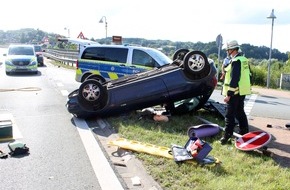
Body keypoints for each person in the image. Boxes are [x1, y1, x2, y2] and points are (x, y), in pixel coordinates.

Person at [220, 40, 252, 145]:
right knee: (240, 112)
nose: (227, 51)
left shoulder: (236, 61)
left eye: (228, 49)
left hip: (235, 92)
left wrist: (229, 94)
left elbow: (234, 79)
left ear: (233, 49)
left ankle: (227, 136)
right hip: (242, 91)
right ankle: (244, 132)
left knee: (229, 115)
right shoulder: (244, 60)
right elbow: (249, 76)